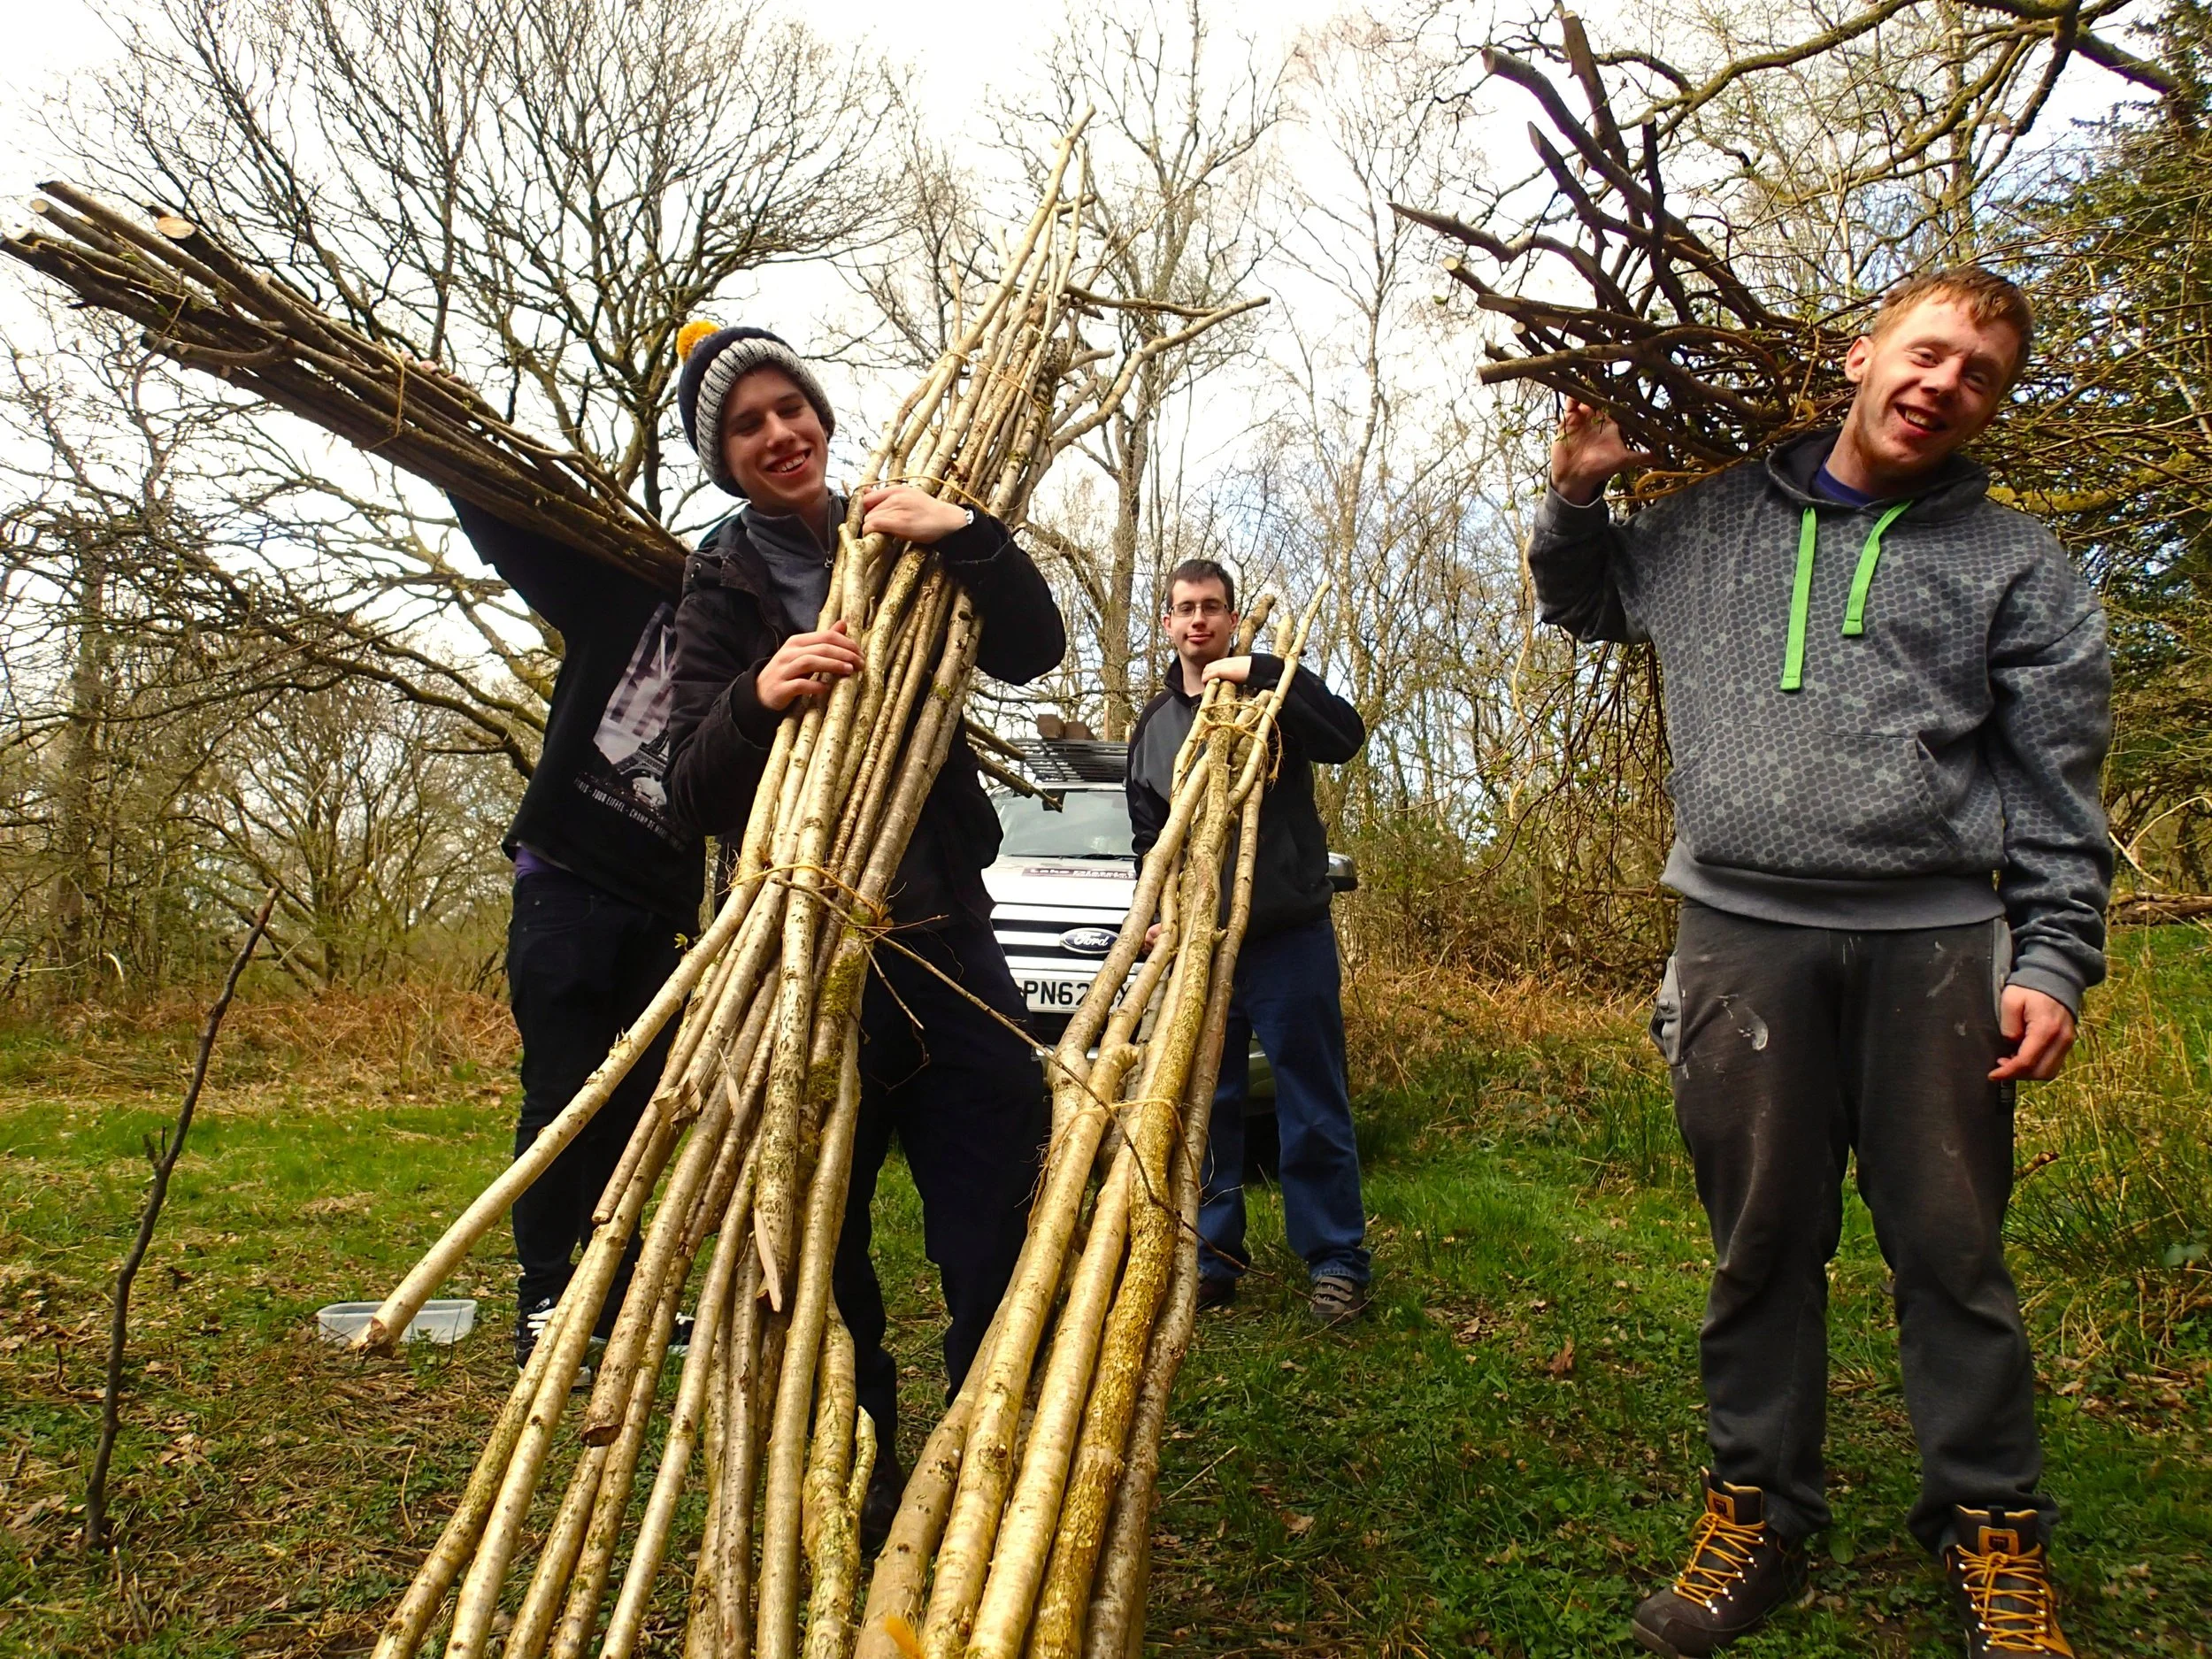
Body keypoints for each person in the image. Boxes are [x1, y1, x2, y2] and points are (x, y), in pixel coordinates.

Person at [1529, 267, 2108, 1659]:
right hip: (1740, 937)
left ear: (1990, 406)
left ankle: (1990, 1531)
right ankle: (1759, 1513)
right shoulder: (1716, 520)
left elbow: (2056, 788)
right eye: (1927, 351)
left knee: (1953, 1251)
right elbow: (1585, 599)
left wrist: (2055, 955)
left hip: (1937, 948)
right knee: (1762, 1244)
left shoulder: (2018, 565)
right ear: (1861, 355)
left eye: (1978, 374)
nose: (1943, 383)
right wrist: (1574, 491)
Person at [660, 324, 1065, 1541]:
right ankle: (867, 1460)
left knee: (996, 1203)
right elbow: (685, 784)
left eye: (794, 407)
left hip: (944, 933)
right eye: (748, 423)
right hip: (804, 961)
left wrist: (971, 537)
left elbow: (1032, 647)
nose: (782, 432)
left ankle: (981, 1454)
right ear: (723, 458)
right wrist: (756, 696)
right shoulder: (717, 585)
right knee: (823, 1249)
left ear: (823, 415)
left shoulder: (898, 525)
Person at [441, 496, 705, 1377]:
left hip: (663, 908)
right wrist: (457, 467)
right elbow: (510, 528)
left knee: (632, 1115)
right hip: (568, 885)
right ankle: (548, 1296)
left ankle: (620, 1294)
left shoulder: (749, 638)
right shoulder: (625, 596)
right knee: (561, 1100)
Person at [1125, 557, 1371, 1327]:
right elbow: (1147, 838)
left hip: (1286, 936)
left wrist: (1266, 669)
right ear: (1166, 624)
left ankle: (1335, 1261)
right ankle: (1213, 1259)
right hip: (1202, 947)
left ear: (1231, 618)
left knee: (1311, 1100)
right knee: (1207, 1107)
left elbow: (1345, 736)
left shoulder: (1275, 692)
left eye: (1212, 607)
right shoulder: (1155, 727)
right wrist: (1159, 911)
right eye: (1184, 608)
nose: (1198, 620)